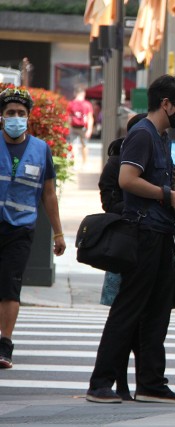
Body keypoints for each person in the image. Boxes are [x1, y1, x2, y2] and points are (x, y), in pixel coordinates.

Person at [86, 75, 175, 404]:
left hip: (160, 232)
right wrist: (167, 195)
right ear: (166, 104)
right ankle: (101, 382)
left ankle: (150, 383)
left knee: (158, 311)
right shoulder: (142, 134)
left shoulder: (159, 136)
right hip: (142, 232)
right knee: (128, 308)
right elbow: (127, 179)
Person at [0, 87, 66, 369]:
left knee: (10, 286)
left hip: (21, 229)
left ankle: (5, 344)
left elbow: (48, 193)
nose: (16, 118)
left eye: (21, 114)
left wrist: (59, 232)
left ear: (28, 117)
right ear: (1, 117)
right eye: (10, 113)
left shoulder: (41, 150)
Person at [96, 113, 147, 400]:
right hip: (123, 246)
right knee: (123, 319)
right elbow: (108, 202)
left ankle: (141, 382)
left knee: (143, 323)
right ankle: (119, 381)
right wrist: (137, 206)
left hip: (147, 246)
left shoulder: (155, 163)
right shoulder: (116, 164)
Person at [67, 85, 94, 165]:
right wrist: (89, 129)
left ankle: (74, 162)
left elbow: (69, 117)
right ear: (83, 94)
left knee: (73, 145)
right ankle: (84, 163)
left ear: (75, 93)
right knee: (85, 145)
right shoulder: (87, 104)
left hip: (73, 126)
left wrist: (68, 127)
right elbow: (90, 118)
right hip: (84, 128)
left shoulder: (71, 104)